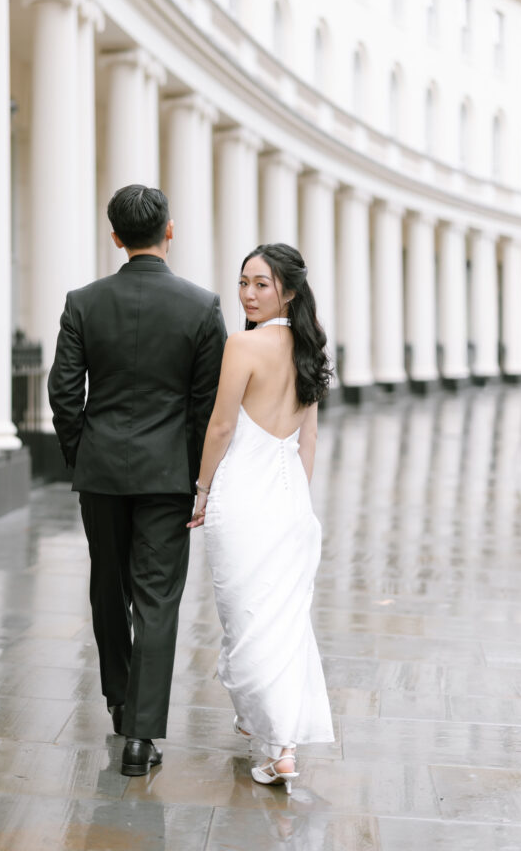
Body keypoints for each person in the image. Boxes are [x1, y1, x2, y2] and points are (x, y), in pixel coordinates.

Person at [48, 184, 226, 777]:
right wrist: (199, 477)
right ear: (169, 231)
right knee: (157, 597)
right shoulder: (202, 307)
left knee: (108, 587)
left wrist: (82, 454)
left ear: (117, 236)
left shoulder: (83, 302)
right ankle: (139, 738)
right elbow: (205, 406)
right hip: (169, 474)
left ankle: (121, 698)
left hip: (101, 470)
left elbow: (63, 393)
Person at [188, 242, 334, 793]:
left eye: (262, 284)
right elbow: (308, 439)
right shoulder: (309, 349)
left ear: (288, 291)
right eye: (244, 282)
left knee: (249, 620)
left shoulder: (243, 346)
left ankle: (281, 750)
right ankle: (262, 725)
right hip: (290, 501)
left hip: (243, 499)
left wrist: (201, 491)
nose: (248, 293)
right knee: (282, 620)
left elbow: (221, 428)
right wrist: (297, 497)